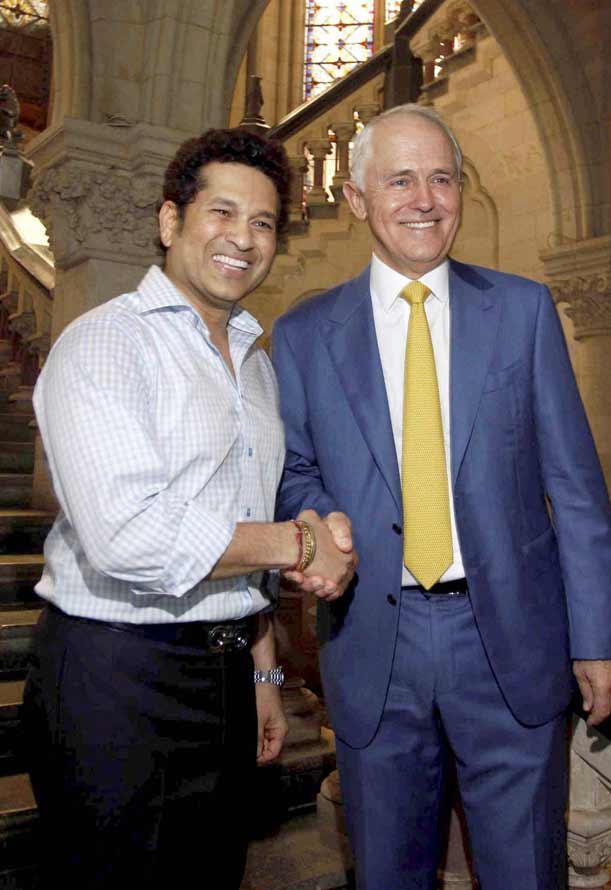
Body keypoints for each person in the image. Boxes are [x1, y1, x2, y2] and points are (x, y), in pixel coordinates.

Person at [271, 104, 611, 890]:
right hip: (374, 639)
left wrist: (600, 633)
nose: (424, 198)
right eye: (400, 179)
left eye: (442, 178)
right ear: (359, 199)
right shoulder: (303, 336)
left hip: (509, 641)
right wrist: (314, 517)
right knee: (389, 873)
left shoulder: (523, 311)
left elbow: (573, 484)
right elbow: (293, 468)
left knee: (526, 871)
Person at [21, 127, 356, 890]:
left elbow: (239, 523)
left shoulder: (256, 366)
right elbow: (126, 536)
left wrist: (264, 672)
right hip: (116, 675)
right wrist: (300, 544)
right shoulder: (105, 345)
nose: (244, 238)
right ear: (171, 221)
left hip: (228, 670)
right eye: (222, 213)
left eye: (264, 222)